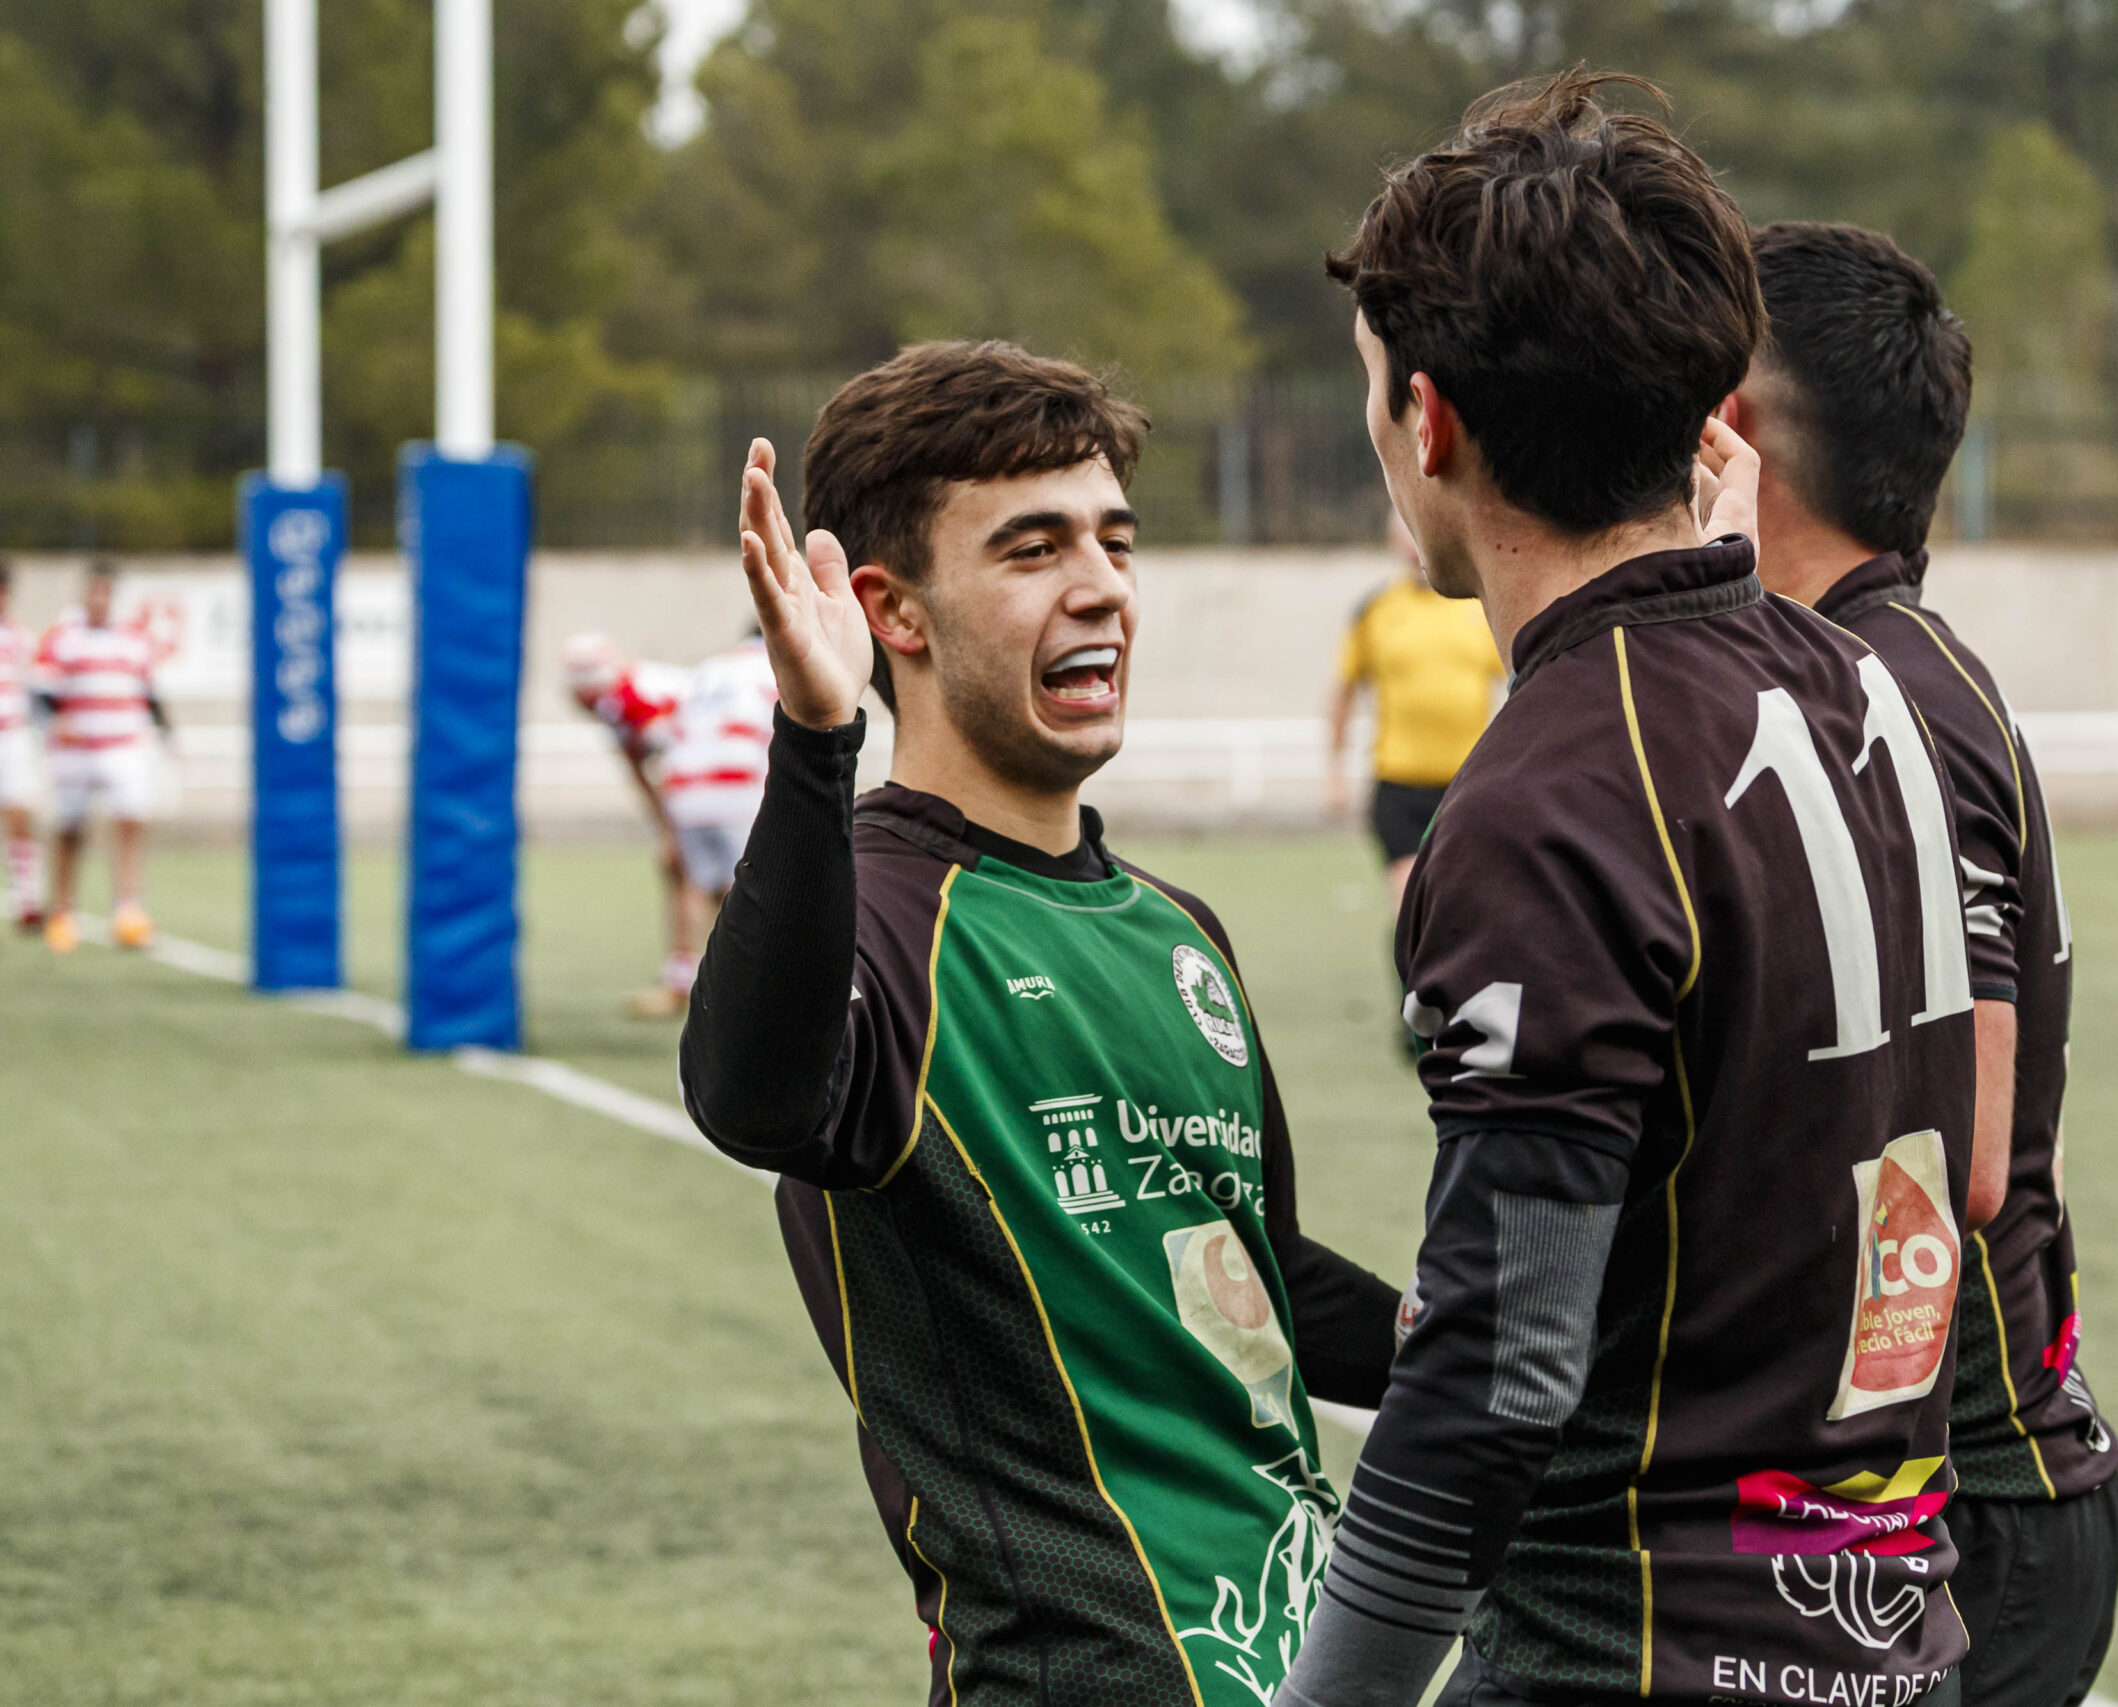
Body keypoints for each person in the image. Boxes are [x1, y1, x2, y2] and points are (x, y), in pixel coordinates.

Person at [1277, 74, 1978, 1707]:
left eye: (1375, 393)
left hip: (1645, 1654)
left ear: (1429, 421)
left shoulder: (1555, 790)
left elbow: (1498, 1368)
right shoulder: (1868, 684)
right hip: (1891, 1638)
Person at [679, 340, 1400, 1704]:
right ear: (893, 610)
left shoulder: (1180, 928)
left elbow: (1263, 1273)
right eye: (1033, 548)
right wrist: (816, 742)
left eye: (1115, 541)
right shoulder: (885, 921)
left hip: (1302, 1651)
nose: (1102, 587)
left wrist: (1461, 1340)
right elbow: (752, 1094)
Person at [1733, 220, 2118, 1707]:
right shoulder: (1869, 661)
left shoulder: (1882, 687)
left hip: (1976, 1500)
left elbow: (1959, 1148)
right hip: (1958, 1483)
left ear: (1736, 427)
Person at [1327, 513, 1506, 913]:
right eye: (1405, 531)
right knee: (1412, 902)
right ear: (1394, 541)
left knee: (1464, 908)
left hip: (1466, 787)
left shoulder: (1481, 609)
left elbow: (1521, 682)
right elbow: (1343, 693)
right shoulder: (1375, 610)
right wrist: (1336, 773)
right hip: (1399, 788)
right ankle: (1411, 978)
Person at [637, 629, 780, 1017]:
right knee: (755, 887)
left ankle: (680, 983)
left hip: (684, 786)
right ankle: (753, 985)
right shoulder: (780, 663)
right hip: (738, 783)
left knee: (691, 886)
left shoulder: (708, 670)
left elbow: (663, 733)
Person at [33, 560, 169, 953]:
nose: (99, 599)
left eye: (106, 592)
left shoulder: (134, 638)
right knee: (71, 829)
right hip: (76, 749)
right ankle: (63, 913)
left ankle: (128, 910)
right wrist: (57, 723)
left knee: (129, 822)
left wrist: (165, 735)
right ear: (84, 594)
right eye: (94, 591)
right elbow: (42, 692)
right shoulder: (62, 636)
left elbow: (149, 694)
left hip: (122, 745)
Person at [562, 633, 701, 1015]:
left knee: (697, 874)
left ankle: (692, 980)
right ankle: (684, 979)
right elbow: (639, 766)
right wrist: (666, 827)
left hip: (723, 770)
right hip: (712, 771)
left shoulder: (632, 698)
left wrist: (674, 828)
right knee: (681, 870)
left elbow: (669, 762)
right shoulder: (619, 699)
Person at [0, 558, 43, 932]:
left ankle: (26, 898)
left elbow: (35, 692)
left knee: (19, 814)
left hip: (10, 736)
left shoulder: (20, 638)